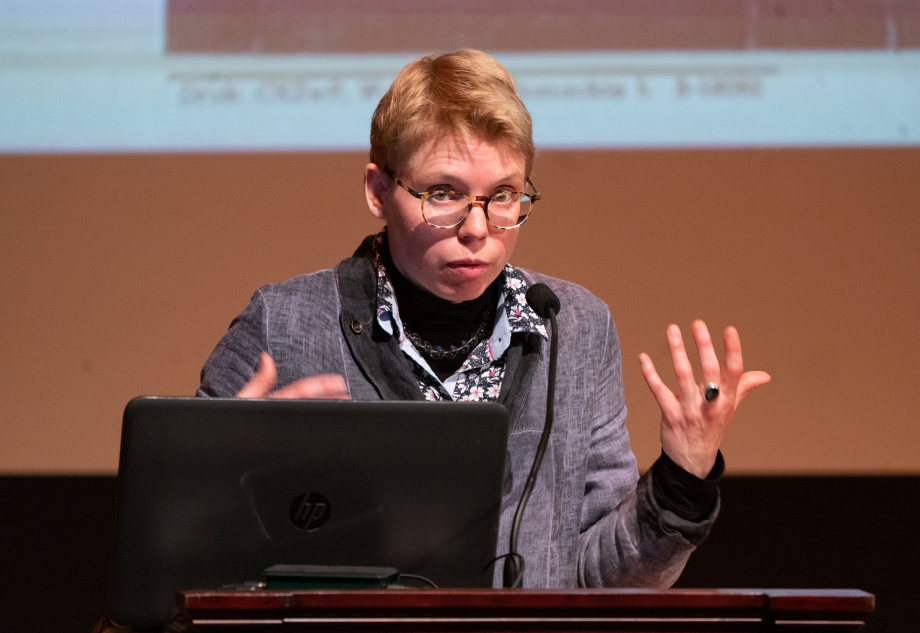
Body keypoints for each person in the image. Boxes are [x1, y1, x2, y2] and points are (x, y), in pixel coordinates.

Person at [197, 49, 770, 588]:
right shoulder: (283, 325)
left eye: (503, 195)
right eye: (443, 193)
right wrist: (222, 478)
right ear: (378, 191)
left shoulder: (574, 327)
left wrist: (683, 478)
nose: (478, 228)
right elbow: (183, 554)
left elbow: (600, 579)